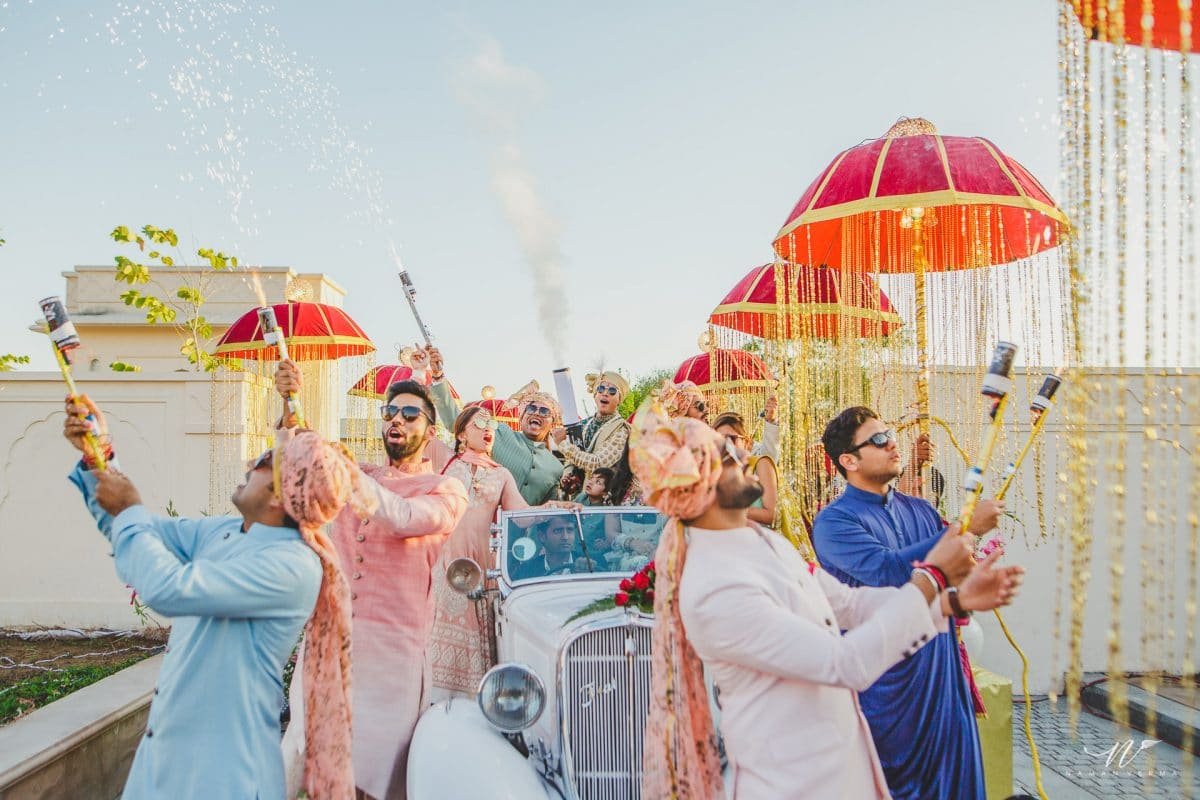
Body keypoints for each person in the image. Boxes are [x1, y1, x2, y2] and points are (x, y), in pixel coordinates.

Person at [628, 402, 1024, 800]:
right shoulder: (715, 588)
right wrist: (933, 575)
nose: (746, 455)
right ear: (699, 485)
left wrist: (949, 603)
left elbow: (851, 604)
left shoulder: (763, 541)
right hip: (792, 784)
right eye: (728, 454)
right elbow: (843, 663)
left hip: (840, 769)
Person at [64, 397, 374, 800]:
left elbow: (167, 587)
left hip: (226, 775)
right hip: (163, 763)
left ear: (282, 493)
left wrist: (128, 509)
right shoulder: (225, 531)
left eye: (264, 460)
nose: (250, 463)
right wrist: (99, 455)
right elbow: (138, 532)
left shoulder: (293, 566)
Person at [275, 361, 468, 800]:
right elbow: (295, 488)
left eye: (409, 414)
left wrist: (345, 473)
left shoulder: (447, 489)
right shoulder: (360, 473)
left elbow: (404, 519)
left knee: (375, 776)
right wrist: (289, 415)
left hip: (394, 656)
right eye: (390, 412)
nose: (396, 419)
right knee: (303, 754)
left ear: (430, 432)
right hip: (328, 643)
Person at [812, 407, 1006, 800]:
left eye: (890, 434)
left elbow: (952, 572)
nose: (892, 443)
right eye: (879, 439)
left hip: (941, 676)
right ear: (848, 461)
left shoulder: (920, 510)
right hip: (885, 688)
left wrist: (972, 576)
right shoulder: (834, 522)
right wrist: (963, 527)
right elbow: (888, 571)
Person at [425, 406, 574, 701]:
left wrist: (553, 508)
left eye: (491, 424)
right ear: (462, 433)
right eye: (479, 423)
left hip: (480, 569)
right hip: (443, 567)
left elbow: (521, 516)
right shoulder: (446, 459)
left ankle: (473, 705)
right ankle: (432, 705)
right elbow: (421, 432)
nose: (487, 428)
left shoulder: (502, 474)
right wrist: (421, 372)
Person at [424, 346, 566, 505]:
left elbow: (551, 509)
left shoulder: (556, 468)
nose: (537, 413)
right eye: (531, 408)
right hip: (486, 523)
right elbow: (456, 422)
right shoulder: (500, 432)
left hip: (526, 527)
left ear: (552, 422)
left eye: (545, 411)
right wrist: (437, 376)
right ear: (522, 416)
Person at [550, 370, 631, 483]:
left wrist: (562, 444)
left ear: (619, 400)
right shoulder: (583, 424)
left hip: (605, 498)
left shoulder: (622, 430)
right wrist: (569, 475)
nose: (605, 393)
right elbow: (571, 458)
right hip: (580, 497)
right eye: (601, 389)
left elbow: (598, 464)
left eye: (612, 391)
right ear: (595, 395)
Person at [712, 411, 777, 528]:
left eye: (731, 438)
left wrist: (725, 508)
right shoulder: (716, 471)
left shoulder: (760, 464)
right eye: (719, 440)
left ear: (746, 442)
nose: (726, 445)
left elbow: (771, 515)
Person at [511, 515, 580, 579]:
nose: (565, 537)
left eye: (570, 530)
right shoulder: (525, 571)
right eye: (558, 531)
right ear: (542, 536)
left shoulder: (587, 566)